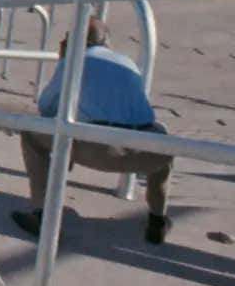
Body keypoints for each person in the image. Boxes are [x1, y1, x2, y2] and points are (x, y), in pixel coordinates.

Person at [11, 18, 171, 245]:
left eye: (67, 37)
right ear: (105, 40)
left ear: (76, 41)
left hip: (100, 149)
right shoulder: (127, 62)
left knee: (32, 132)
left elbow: (46, 107)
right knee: (162, 139)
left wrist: (63, 62)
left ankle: (41, 214)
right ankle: (158, 220)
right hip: (147, 150)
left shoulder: (74, 61)